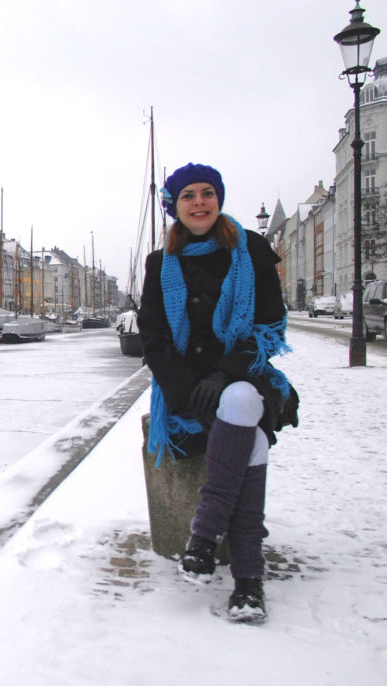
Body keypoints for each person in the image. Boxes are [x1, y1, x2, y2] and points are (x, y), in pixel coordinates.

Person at [138, 162, 299, 623]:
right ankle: (249, 578)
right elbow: (154, 337)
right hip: (189, 388)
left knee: (243, 398)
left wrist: (224, 373)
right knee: (252, 433)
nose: (200, 202)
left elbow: (269, 325)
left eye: (207, 193)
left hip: (245, 372)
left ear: (219, 198)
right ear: (175, 208)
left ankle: (204, 537)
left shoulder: (251, 249)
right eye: (188, 196)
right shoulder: (160, 263)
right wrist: (188, 389)